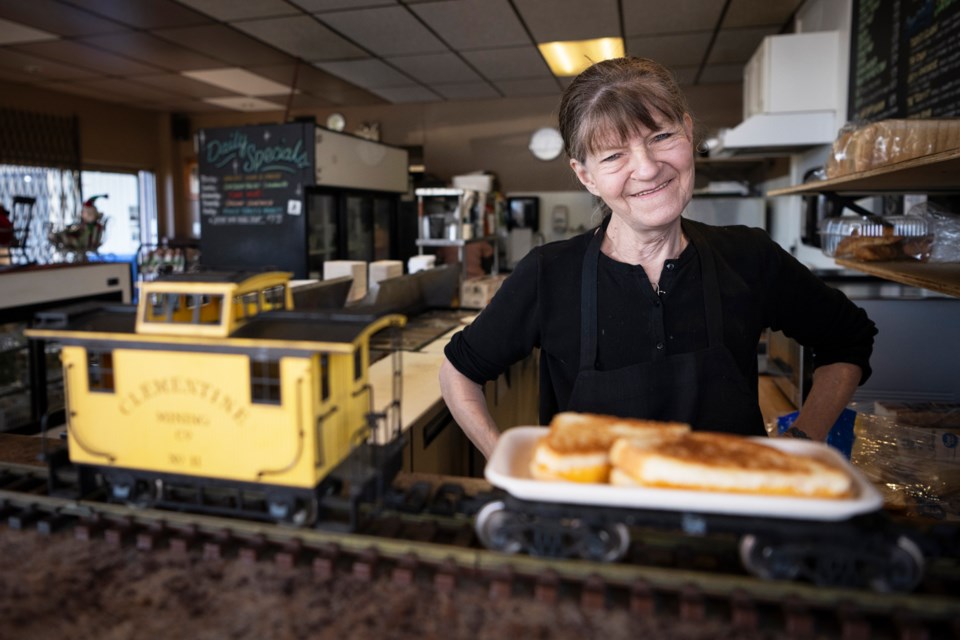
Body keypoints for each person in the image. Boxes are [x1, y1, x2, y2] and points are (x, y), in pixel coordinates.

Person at [439, 57, 876, 460]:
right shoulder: (547, 274)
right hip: (592, 533)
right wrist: (505, 461)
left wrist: (802, 442)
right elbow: (458, 371)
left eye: (661, 137)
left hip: (731, 523)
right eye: (614, 156)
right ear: (586, 176)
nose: (647, 168)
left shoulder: (749, 256)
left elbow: (848, 338)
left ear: (688, 133)